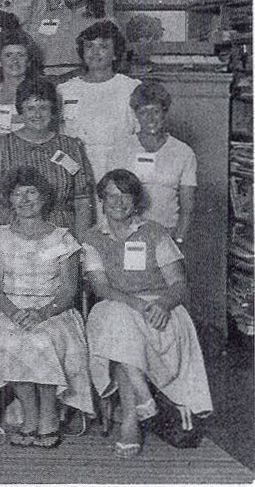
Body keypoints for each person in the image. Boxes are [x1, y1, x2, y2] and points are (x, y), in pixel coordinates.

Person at [82, 169, 212, 458]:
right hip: (116, 304)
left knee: (122, 330)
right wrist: (136, 304)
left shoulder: (155, 233)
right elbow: (101, 287)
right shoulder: (92, 239)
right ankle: (141, 399)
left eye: (125, 195)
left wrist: (163, 304)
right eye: (111, 195)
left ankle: (135, 415)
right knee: (119, 319)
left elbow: (179, 284)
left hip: (160, 305)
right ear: (101, 200)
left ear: (136, 200)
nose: (118, 202)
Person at [0, 166, 94, 447]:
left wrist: (43, 313)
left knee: (44, 338)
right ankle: (30, 415)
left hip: (54, 309)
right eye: (18, 194)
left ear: (44, 197)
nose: (25, 199)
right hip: (9, 310)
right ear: (10, 200)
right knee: (12, 337)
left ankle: (49, 415)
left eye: (31, 192)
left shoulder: (63, 238)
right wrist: (16, 313)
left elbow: (69, 289)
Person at [0, 77, 94, 233]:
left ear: (52, 111)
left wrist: (81, 245)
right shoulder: (2, 146)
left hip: (61, 234)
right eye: (30, 108)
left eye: (43, 107)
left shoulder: (71, 147)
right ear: (20, 111)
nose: (37, 114)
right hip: (13, 234)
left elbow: (82, 200)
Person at [106, 82, 196, 243]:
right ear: (136, 115)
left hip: (167, 234)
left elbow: (187, 207)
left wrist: (179, 240)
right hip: (127, 234)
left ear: (165, 112)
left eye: (155, 111)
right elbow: (110, 200)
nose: (150, 118)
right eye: (143, 112)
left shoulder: (184, 152)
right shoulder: (120, 150)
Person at [58, 21, 140, 183]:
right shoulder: (64, 90)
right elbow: (57, 141)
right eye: (89, 46)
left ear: (115, 53)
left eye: (103, 47)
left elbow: (140, 138)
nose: (95, 52)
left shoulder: (130, 87)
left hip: (120, 171)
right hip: (76, 173)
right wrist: (73, 174)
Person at [0, 28, 43, 138]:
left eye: (20, 55)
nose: (15, 61)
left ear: (29, 62)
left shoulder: (40, 91)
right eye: (8, 55)